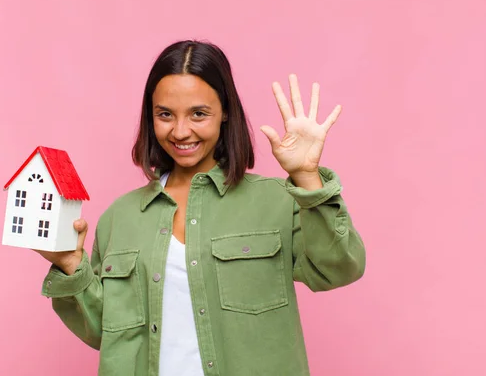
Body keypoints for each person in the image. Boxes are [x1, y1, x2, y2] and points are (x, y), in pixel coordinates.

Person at [36, 40, 366, 376]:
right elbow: (106, 335)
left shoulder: (279, 201)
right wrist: (70, 266)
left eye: (198, 113)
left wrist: (307, 177)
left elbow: (339, 269)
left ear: (225, 113)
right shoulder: (119, 219)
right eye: (165, 114)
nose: (180, 131)